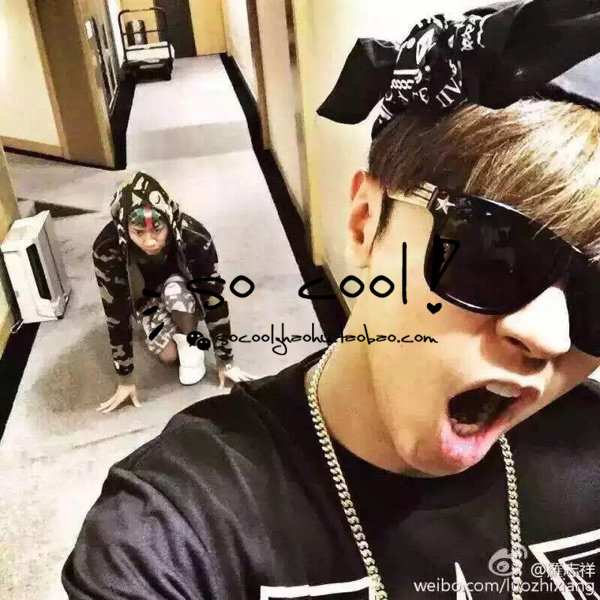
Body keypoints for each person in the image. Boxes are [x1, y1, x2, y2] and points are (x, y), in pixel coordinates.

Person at [64, 1, 600, 597]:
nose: (548, 335)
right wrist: (125, 369)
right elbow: (115, 303)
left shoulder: (192, 238)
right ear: (366, 223)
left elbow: (210, 292)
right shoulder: (173, 525)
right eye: (496, 253)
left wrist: (223, 355)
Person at [92, 171, 254, 413]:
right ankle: (164, 324)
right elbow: (115, 312)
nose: (149, 241)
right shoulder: (107, 248)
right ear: (125, 228)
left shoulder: (195, 237)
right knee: (169, 356)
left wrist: (225, 360)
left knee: (176, 294)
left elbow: (213, 297)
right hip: (146, 297)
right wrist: (125, 378)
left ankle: (189, 334)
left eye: (157, 230)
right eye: (138, 232)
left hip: (181, 286)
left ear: (169, 222)